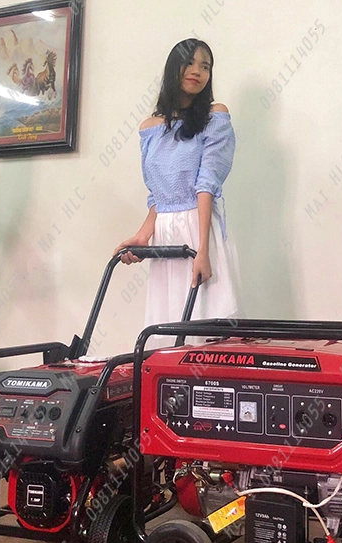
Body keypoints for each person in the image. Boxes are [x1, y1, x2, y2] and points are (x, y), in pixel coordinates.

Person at [115, 39, 240, 336]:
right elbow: (159, 197)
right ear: (173, 68)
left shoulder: (214, 117)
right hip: (165, 234)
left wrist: (203, 250)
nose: (197, 71)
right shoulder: (150, 128)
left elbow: (206, 183)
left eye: (205, 66)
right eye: (190, 63)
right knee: (169, 326)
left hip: (199, 227)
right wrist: (143, 236)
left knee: (203, 327)